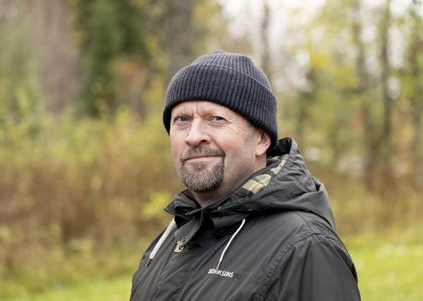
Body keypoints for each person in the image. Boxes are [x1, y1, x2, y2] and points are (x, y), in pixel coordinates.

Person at [130, 50, 361, 301]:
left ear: (261, 140)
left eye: (216, 119)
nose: (193, 136)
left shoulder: (305, 249)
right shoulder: (172, 237)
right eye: (182, 119)